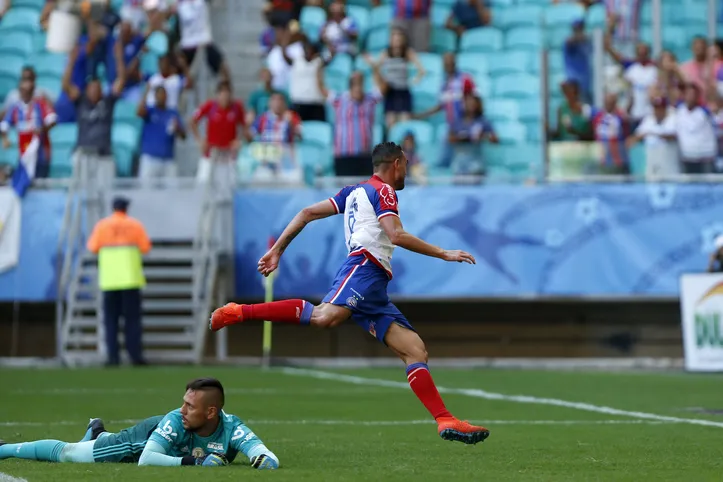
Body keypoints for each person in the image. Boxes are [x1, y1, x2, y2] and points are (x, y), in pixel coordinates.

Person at [210, 141, 489, 446]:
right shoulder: (383, 191)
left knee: (414, 350)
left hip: (375, 285)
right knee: (324, 316)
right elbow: (396, 234)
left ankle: (445, 419)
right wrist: (442, 253)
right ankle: (240, 312)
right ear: (395, 163)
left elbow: (306, 212)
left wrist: (277, 250)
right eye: (406, 164)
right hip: (364, 268)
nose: (407, 171)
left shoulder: (353, 192)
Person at [0, 378, 279, 469]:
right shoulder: (174, 421)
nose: (182, 409)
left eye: (190, 406)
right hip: (144, 439)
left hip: (161, 447)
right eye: (183, 402)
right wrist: (194, 462)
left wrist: (263, 459)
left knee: (87, 447)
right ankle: (6, 448)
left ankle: (96, 432)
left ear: (211, 413)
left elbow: (266, 456)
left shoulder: (232, 427)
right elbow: (146, 459)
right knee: (70, 454)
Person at [86, 196, 151, 367]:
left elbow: (92, 248)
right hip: (130, 280)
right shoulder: (135, 225)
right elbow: (145, 248)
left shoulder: (102, 226)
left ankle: (113, 357)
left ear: (113, 208)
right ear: (126, 208)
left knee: (110, 321)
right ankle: (135, 356)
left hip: (109, 281)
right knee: (132, 320)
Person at [137, 85, 186, 181]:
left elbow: (183, 136)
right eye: (158, 94)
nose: (161, 97)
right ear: (155, 96)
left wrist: (178, 129)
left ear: (166, 96)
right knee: (146, 191)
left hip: (168, 160)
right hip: (150, 159)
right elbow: (139, 112)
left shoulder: (172, 113)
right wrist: (145, 94)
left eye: (163, 94)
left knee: (172, 192)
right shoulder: (150, 111)